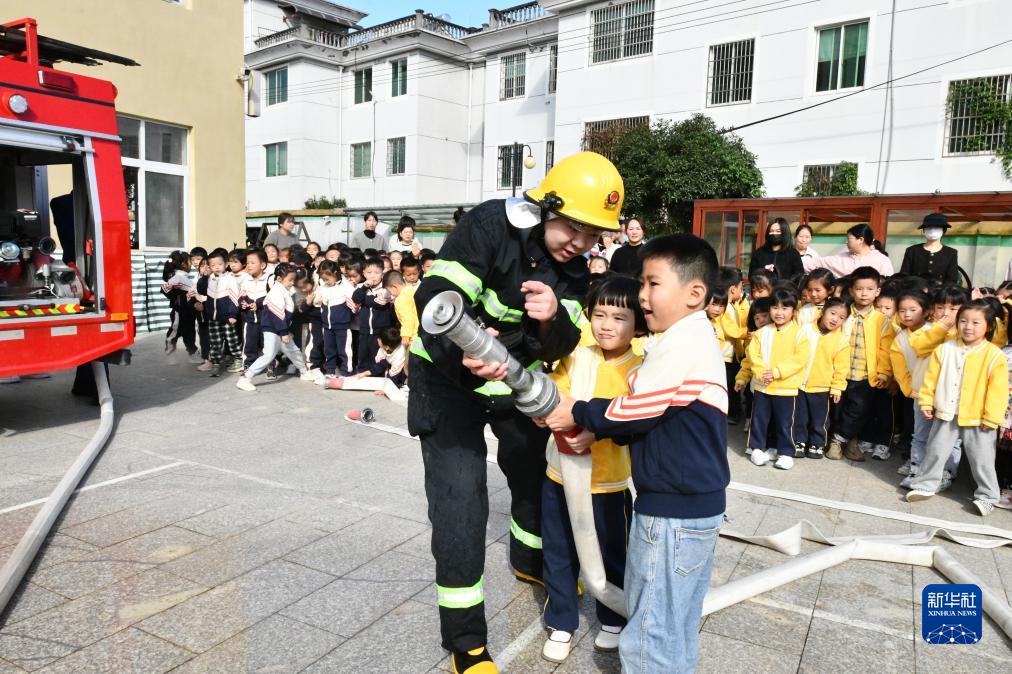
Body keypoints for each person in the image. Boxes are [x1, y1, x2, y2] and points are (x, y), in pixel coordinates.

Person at [408, 151, 618, 673]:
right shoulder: (488, 226)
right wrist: (464, 350)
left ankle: (530, 560)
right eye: (573, 226)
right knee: (461, 502)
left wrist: (550, 319)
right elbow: (436, 297)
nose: (580, 243)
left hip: (513, 379)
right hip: (447, 378)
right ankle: (466, 645)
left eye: (593, 234)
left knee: (531, 471)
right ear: (545, 207)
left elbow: (565, 341)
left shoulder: (575, 270)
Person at [545, 233, 728, 674]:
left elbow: (636, 409)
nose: (642, 295)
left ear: (694, 294)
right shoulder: (689, 337)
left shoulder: (683, 340)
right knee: (674, 625)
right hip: (689, 505)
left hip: (672, 513)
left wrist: (578, 412)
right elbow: (654, 417)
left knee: (650, 632)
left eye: (652, 283)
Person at [538, 275, 644, 664]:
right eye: (599, 314)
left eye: (619, 317)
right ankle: (561, 620)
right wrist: (543, 412)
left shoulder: (640, 369)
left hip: (608, 484)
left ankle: (612, 617)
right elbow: (554, 393)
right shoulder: (576, 355)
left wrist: (597, 432)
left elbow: (635, 421)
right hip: (560, 474)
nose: (606, 325)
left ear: (638, 324)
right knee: (559, 549)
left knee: (612, 552)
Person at [907, 300, 1008, 516]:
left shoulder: (994, 355)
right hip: (946, 411)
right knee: (936, 450)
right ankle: (925, 485)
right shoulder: (944, 349)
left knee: (982, 459)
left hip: (979, 418)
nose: (968, 327)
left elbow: (998, 391)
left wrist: (991, 417)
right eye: (963, 321)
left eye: (975, 322)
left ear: (989, 326)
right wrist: (926, 401)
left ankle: (988, 496)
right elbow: (930, 380)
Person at [826, 267, 894, 461]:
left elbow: (886, 350)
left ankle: (838, 440)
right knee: (838, 411)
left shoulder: (882, 320)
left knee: (859, 411)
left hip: (865, 375)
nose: (864, 293)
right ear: (851, 290)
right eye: (859, 288)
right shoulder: (844, 314)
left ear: (877, 291)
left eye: (869, 289)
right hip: (840, 373)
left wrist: (883, 373)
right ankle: (849, 442)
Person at [740, 286, 810, 470]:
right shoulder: (761, 333)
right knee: (759, 420)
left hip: (786, 388)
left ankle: (785, 452)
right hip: (762, 386)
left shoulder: (800, 333)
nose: (779, 312)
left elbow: (800, 359)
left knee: (785, 423)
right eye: (775, 307)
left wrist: (777, 372)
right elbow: (753, 355)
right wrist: (761, 372)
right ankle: (756, 448)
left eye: (785, 308)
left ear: (794, 311)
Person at [891, 290, 954, 488]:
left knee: (948, 437)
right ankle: (917, 468)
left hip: (947, 393)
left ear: (926, 311)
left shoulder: (940, 330)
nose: (907, 314)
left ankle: (945, 473)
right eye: (902, 310)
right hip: (920, 392)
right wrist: (910, 390)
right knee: (920, 434)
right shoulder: (902, 338)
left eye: (913, 310)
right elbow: (900, 369)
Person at [236, 264, 318, 391]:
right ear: (279, 279)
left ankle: (304, 371)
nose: (292, 283)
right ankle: (245, 378)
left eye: (293, 280)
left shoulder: (282, 290)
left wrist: (284, 331)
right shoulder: (276, 292)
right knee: (268, 355)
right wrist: (283, 332)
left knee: (294, 351)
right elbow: (277, 314)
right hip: (273, 330)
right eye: (290, 280)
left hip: (280, 330)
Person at [793, 297, 850, 459]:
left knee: (820, 419)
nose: (835, 319)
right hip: (800, 383)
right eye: (833, 313)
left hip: (822, 387)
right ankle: (799, 441)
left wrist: (837, 387)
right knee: (799, 416)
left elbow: (841, 367)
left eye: (841, 317)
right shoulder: (805, 329)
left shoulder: (841, 340)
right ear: (823, 311)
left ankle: (817, 443)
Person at [200, 248, 242, 378]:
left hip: (227, 318)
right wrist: (204, 276)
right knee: (215, 342)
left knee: (232, 339)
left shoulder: (230, 278)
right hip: (213, 318)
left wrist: (233, 315)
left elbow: (235, 298)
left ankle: (238, 359)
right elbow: (201, 290)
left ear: (226, 264)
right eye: (213, 265)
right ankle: (216, 364)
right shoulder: (210, 278)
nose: (216, 267)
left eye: (219, 264)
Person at [804, 223, 894, 277]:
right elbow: (815, 263)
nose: (846, 242)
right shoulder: (841, 258)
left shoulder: (882, 260)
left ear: (860, 240)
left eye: (849, 239)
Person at [315, 260, 355, 379]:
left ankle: (346, 372)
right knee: (329, 350)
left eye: (327, 279)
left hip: (342, 326)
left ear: (335, 273)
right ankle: (330, 371)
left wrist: (348, 316)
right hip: (327, 326)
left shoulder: (345, 286)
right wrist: (316, 299)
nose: (325, 281)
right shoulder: (323, 287)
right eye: (323, 279)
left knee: (344, 350)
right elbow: (317, 302)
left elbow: (354, 304)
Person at [352, 258, 394, 372]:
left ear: (382, 274)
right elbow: (355, 298)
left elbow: (379, 303)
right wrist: (365, 288)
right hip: (364, 329)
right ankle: (362, 373)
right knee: (363, 354)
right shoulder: (362, 287)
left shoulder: (385, 288)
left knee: (377, 356)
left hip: (380, 330)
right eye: (369, 272)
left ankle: (377, 375)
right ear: (364, 273)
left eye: (376, 273)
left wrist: (364, 300)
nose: (373, 276)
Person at [161, 251, 200, 362]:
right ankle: (170, 354)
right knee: (174, 332)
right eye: (190, 261)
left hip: (189, 312)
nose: (192, 264)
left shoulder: (183, 277)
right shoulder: (178, 277)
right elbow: (165, 289)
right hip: (179, 312)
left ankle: (192, 353)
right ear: (183, 264)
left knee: (190, 334)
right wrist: (177, 298)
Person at [899, 213, 959, 285]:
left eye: (937, 227)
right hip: (915, 290)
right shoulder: (912, 251)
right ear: (924, 230)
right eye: (928, 227)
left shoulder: (951, 253)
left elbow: (952, 280)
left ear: (944, 230)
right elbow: (904, 276)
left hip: (940, 291)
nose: (932, 230)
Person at [239, 249, 270, 371]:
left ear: (262, 265)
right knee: (250, 343)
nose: (249, 265)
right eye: (247, 263)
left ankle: (271, 364)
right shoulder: (246, 280)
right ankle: (248, 364)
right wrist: (242, 303)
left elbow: (272, 297)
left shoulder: (269, 279)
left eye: (252, 263)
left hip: (266, 319)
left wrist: (259, 304)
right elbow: (242, 295)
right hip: (251, 319)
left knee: (267, 344)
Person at [384, 270, 417, 347]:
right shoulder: (413, 290)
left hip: (413, 337)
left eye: (390, 291)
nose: (391, 294)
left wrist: (405, 337)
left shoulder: (400, 299)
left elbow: (407, 319)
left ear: (394, 287)